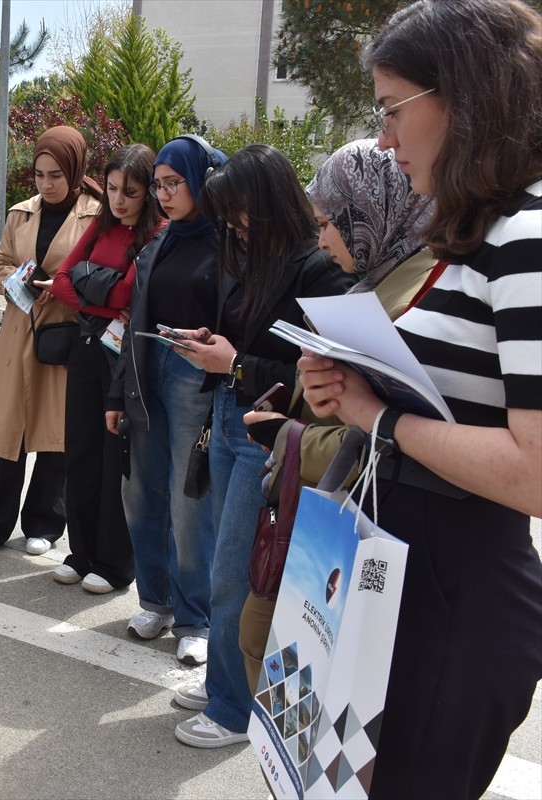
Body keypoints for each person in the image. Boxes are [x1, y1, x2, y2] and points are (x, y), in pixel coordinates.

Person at [298, 2, 542, 795]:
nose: (386, 138)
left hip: (457, 592)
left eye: (392, 109)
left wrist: (378, 415)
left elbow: (534, 474)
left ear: (465, 97)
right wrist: (346, 385)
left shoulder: (527, 234)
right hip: (406, 572)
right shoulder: (479, 229)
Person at [236, 137, 437, 695]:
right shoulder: (379, 285)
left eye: (329, 222)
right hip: (330, 510)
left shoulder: (410, 301)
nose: (323, 242)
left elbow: (375, 434)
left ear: (371, 214)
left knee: (289, 664)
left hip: (356, 522)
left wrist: (286, 436)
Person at [169, 144, 353, 748]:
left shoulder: (316, 269)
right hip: (233, 415)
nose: (235, 227)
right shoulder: (253, 255)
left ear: (272, 202)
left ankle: (232, 709)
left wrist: (235, 362)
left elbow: (320, 375)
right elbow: (252, 340)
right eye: (228, 218)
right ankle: (227, 680)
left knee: (236, 574)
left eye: (242, 214)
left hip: (269, 431)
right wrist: (215, 346)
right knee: (230, 560)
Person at [104, 135, 226, 663]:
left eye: (174, 183)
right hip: (146, 370)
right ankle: (155, 599)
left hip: (192, 378)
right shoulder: (158, 242)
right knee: (141, 492)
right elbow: (134, 324)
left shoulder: (227, 244)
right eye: (161, 185)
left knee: (188, 501)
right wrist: (116, 393)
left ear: (203, 180)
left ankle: (194, 617)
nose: (165, 193)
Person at [0, 126, 102, 559]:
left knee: (55, 432)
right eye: (40, 174)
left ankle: (44, 523)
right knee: (9, 432)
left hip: (65, 335)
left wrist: (58, 287)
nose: (46, 183)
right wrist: (13, 281)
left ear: (76, 171)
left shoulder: (97, 215)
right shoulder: (21, 213)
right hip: (18, 332)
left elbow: (100, 273)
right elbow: (0, 262)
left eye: (56, 174)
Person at [40, 143, 164, 591]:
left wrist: (93, 291)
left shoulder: (155, 234)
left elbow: (130, 294)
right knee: (80, 452)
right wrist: (106, 305)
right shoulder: (101, 227)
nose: (118, 199)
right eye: (112, 188)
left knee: (117, 461)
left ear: (147, 191)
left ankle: (114, 564)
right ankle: (82, 551)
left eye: (130, 191)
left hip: (126, 358)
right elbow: (60, 281)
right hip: (88, 346)